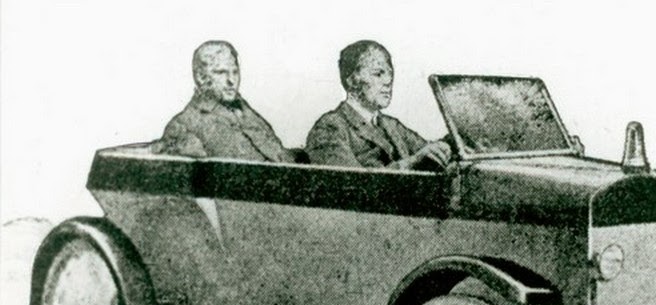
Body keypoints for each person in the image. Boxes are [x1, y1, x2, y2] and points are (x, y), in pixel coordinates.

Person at [306, 40, 451, 169]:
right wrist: (411, 162)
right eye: (378, 74)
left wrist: (449, 145)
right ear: (352, 81)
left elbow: (427, 150)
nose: (388, 81)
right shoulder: (330, 127)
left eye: (390, 74)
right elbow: (351, 183)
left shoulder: (391, 125)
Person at [154, 40, 293, 162]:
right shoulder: (183, 125)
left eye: (235, 72)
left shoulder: (249, 116)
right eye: (221, 72)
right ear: (201, 77)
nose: (231, 80)